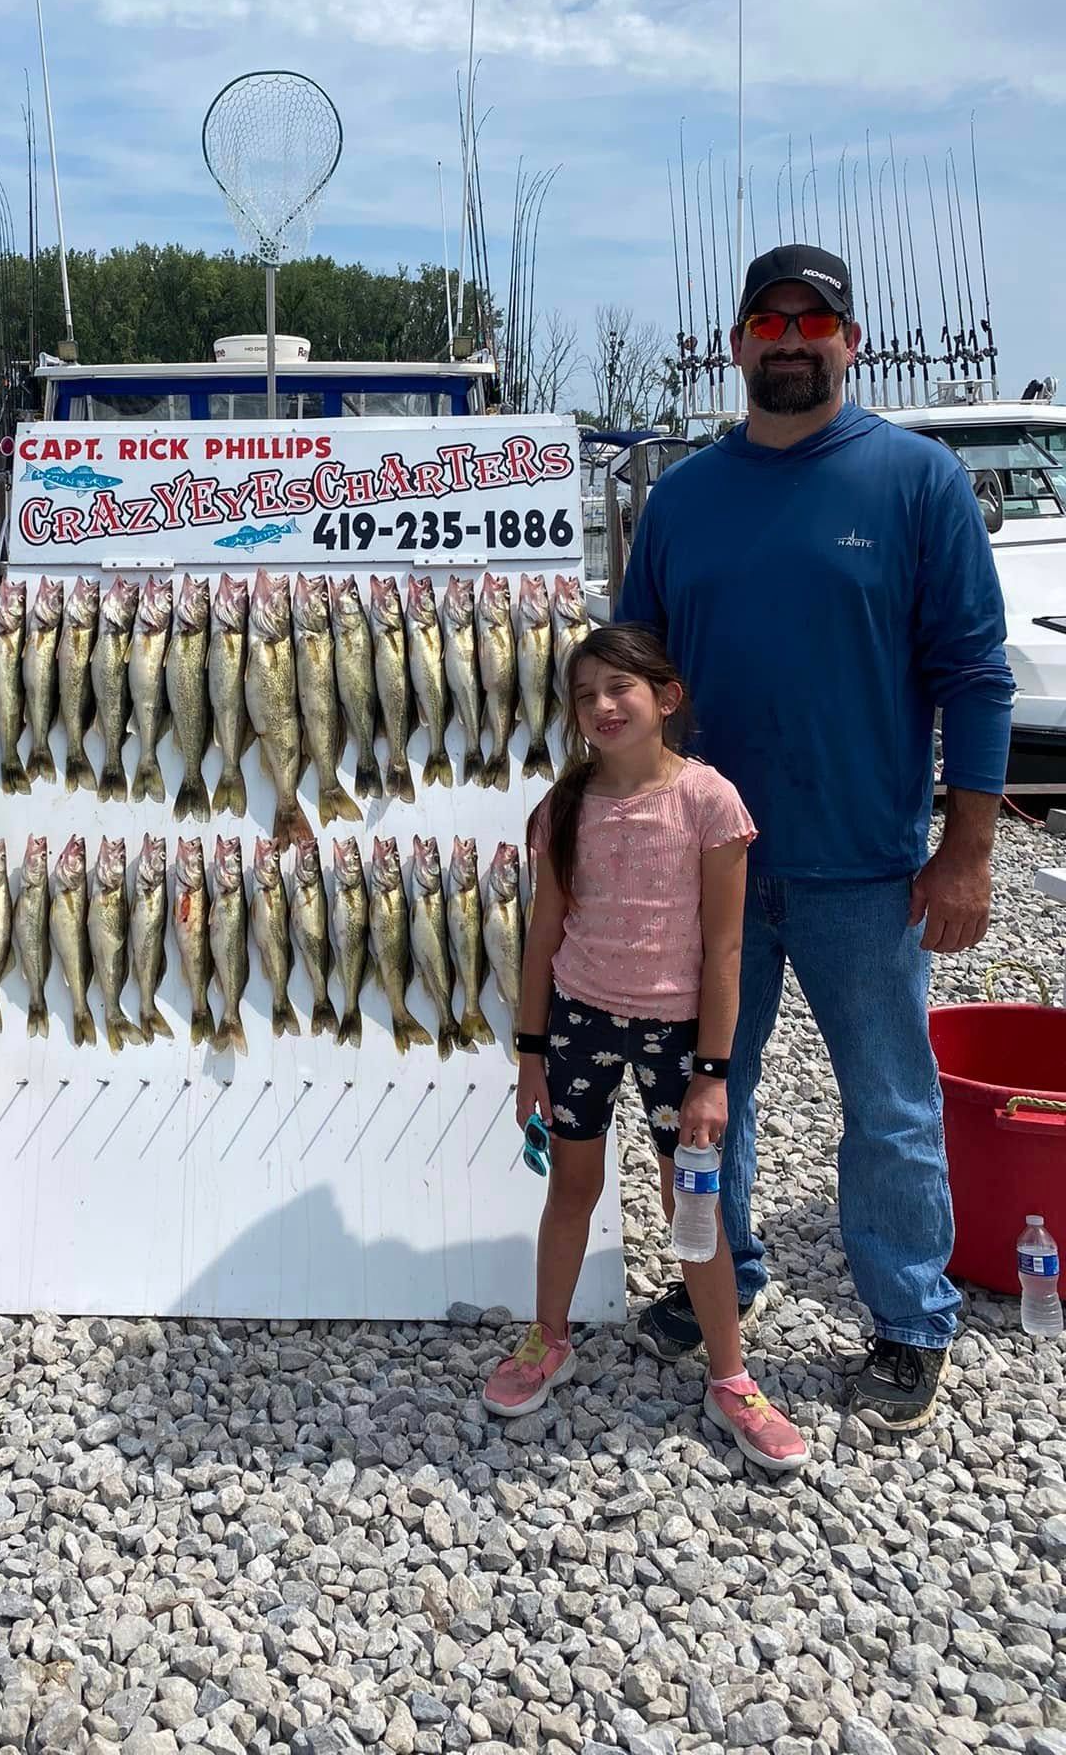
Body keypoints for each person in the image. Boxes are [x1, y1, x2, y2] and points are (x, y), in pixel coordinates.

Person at [616, 243, 1014, 1433]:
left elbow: (976, 676)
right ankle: (721, 1275)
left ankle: (908, 1314)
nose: (792, 338)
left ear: (850, 341)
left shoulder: (917, 480)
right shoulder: (682, 497)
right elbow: (635, 677)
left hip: (867, 867)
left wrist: (970, 848)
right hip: (712, 866)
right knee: (707, 1091)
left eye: (815, 320)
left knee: (889, 1102)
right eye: (769, 320)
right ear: (735, 344)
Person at [483, 624, 808, 1470]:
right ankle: (547, 1336)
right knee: (571, 1190)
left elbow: (728, 951)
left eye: (619, 688)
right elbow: (542, 938)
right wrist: (529, 1059)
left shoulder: (712, 803)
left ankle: (731, 1374)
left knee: (690, 1206)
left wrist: (711, 1074)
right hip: (579, 1026)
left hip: (679, 1043)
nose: (601, 705)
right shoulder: (559, 810)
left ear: (666, 698)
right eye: (585, 693)